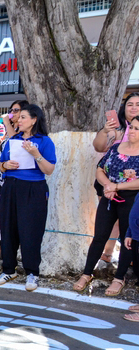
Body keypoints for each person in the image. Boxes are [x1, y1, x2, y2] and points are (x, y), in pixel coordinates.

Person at [73, 116, 139, 296]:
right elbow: (100, 169)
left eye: (137, 129)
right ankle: (87, 274)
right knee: (99, 235)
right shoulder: (117, 148)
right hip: (109, 196)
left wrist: (117, 186)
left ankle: (119, 278)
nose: (132, 131)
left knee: (127, 240)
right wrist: (108, 186)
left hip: (132, 200)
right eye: (131, 127)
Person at [0, 104, 56, 291]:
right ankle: (8, 269)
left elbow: (49, 170)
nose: (18, 120)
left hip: (34, 188)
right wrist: (5, 165)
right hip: (10, 187)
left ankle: (32, 273)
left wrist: (36, 154)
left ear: (34, 119)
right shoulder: (14, 140)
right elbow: (0, 165)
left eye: (22, 117)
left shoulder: (45, 141)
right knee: (8, 228)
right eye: (17, 117)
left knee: (31, 230)